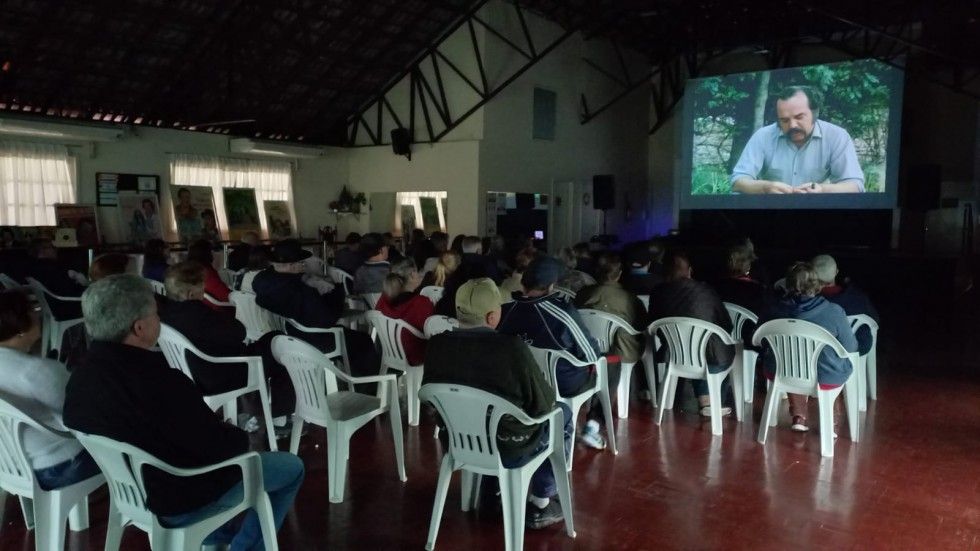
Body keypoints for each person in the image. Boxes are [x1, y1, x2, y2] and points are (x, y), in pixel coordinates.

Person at [63, 275, 304, 549]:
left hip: (131, 492)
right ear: (139, 327)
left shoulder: (80, 379)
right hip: (179, 497)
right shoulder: (161, 382)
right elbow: (220, 449)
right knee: (291, 468)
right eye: (155, 313)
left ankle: (215, 538)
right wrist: (239, 436)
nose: (159, 319)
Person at [423, 278, 569, 529]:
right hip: (510, 447)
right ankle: (541, 502)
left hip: (458, 440)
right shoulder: (511, 348)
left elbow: (430, 400)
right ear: (492, 317)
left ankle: (492, 492)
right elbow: (545, 405)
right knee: (562, 414)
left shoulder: (437, 345)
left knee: (490, 416)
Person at [161, 261, 296, 435]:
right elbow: (238, 333)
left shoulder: (168, 313)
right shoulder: (198, 314)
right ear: (190, 292)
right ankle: (280, 416)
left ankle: (278, 414)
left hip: (193, 371)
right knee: (279, 346)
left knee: (272, 339)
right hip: (221, 374)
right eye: (202, 286)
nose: (205, 290)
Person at [496, 257, 609, 450]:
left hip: (518, 383)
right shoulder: (563, 313)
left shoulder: (505, 311)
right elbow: (591, 355)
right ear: (551, 285)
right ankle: (592, 426)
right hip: (560, 384)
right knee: (607, 367)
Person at [0, 290, 100, 491]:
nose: (38, 315)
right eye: (34, 311)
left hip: (10, 465)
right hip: (60, 467)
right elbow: (83, 413)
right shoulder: (35, 371)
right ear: (21, 327)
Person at [252, 239, 379, 384]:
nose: (304, 266)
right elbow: (328, 319)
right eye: (302, 263)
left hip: (284, 333)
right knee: (363, 340)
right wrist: (336, 292)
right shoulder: (300, 290)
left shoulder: (261, 281)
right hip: (309, 337)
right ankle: (368, 384)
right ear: (293, 265)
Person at [764, 261, 858, 433]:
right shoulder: (834, 312)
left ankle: (799, 415)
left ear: (788, 284)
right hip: (825, 377)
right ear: (818, 285)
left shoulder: (773, 309)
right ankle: (830, 421)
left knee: (792, 362)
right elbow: (850, 347)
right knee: (834, 365)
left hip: (780, 372)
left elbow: (759, 339)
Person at [730, 86, 865, 194]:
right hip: (771, 209)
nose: (792, 125)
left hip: (818, 209)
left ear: (815, 113)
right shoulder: (763, 136)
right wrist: (766, 188)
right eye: (784, 120)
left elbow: (855, 185)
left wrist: (822, 190)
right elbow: (738, 181)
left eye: (799, 117)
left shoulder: (836, 136)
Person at [649, 251, 736, 417]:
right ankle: (709, 400)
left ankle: (704, 399)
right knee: (715, 348)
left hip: (675, 355)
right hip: (711, 358)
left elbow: (653, 324)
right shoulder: (706, 292)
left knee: (696, 348)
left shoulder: (658, 293)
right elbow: (726, 325)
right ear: (689, 271)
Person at [812, 254, 879, 355]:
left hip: (816, 353)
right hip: (856, 351)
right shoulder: (858, 298)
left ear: (811, 275)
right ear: (836, 272)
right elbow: (874, 320)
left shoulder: (805, 304)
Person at [712, 237, 773, 345]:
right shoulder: (757, 290)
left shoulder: (715, 287)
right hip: (750, 342)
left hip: (720, 340)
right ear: (747, 265)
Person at [375, 259, 433, 366]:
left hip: (388, 352)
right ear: (412, 274)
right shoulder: (421, 303)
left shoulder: (383, 300)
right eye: (417, 272)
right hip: (414, 356)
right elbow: (431, 330)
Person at [26, 238, 84, 321]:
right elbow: (68, 291)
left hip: (53, 308)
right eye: (52, 247)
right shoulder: (53, 268)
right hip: (67, 309)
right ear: (42, 250)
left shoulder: (35, 268)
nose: (56, 249)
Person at [186, 239, 230, 305]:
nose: (214, 253)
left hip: (195, 307)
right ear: (207, 253)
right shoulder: (205, 272)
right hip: (213, 308)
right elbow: (223, 294)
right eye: (211, 250)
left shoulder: (187, 268)